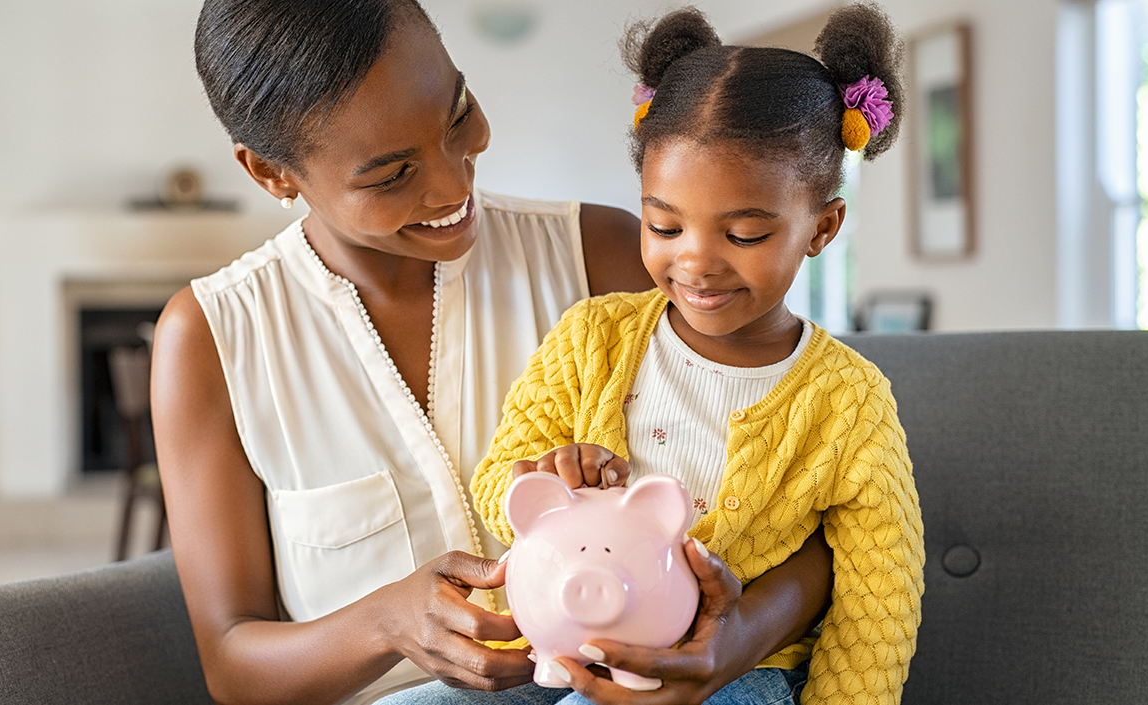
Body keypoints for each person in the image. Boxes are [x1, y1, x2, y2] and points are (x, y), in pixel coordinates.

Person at [150, 2, 836, 704]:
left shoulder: (600, 259)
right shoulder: (211, 338)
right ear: (271, 173)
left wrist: (737, 639)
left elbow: (804, 503)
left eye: (458, 116)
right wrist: (383, 622)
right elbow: (233, 664)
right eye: (390, 174)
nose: (453, 186)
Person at [384, 5, 924, 705]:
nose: (695, 261)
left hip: (741, 670)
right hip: (565, 635)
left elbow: (880, 596)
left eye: (746, 234)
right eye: (664, 224)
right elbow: (499, 482)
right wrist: (553, 477)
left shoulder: (849, 400)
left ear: (822, 226)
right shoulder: (592, 336)